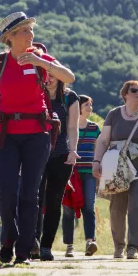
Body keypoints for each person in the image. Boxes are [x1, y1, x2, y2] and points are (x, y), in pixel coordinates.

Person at [0, 12, 75, 265]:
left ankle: (23, 251)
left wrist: (43, 63)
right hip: (7, 135)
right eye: (24, 31)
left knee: (30, 195)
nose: (30, 34)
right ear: (10, 37)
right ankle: (9, 238)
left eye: (31, 30)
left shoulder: (40, 58)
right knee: (8, 191)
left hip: (37, 135)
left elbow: (69, 77)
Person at [93, 80, 138, 259]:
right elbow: (103, 140)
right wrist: (96, 161)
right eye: (135, 90)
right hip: (118, 168)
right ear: (125, 94)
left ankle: (133, 248)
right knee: (117, 207)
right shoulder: (114, 114)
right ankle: (119, 246)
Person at [37, 76, 80, 261]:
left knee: (54, 202)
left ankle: (46, 246)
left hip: (61, 153)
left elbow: (72, 127)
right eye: (46, 74)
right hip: (35, 153)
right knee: (33, 200)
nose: (49, 78)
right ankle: (32, 243)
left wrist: (73, 151)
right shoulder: (35, 94)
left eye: (53, 74)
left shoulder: (70, 97)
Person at [61, 95, 101, 257]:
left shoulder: (95, 128)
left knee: (89, 208)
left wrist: (99, 173)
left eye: (91, 105)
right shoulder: (68, 127)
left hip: (89, 173)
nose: (90, 108)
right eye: (86, 105)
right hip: (70, 174)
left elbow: (98, 151)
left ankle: (90, 242)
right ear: (78, 107)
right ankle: (69, 246)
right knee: (68, 209)